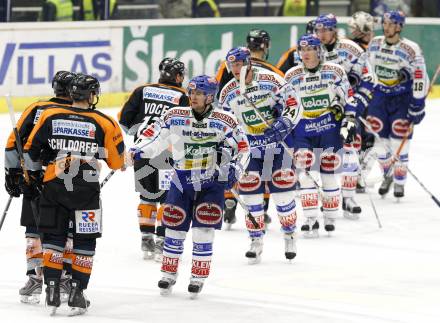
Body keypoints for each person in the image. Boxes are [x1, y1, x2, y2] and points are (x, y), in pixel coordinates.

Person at [130, 75, 250, 298]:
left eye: (198, 93)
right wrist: (139, 149)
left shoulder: (226, 120)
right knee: (174, 227)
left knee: (203, 230)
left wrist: (234, 170)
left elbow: (243, 149)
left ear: (210, 97)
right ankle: (168, 273)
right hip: (181, 179)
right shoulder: (175, 115)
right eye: (191, 92)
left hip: (211, 184)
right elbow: (154, 136)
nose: (193, 97)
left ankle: (198, 276)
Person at [23, 74, 125, 315]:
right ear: (91, 96)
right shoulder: (104, 121)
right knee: (84, 241)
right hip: (87, 190)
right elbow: (115, 160)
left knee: (54, 238)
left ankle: (51, 290)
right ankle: (77, 293)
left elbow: (30, 151)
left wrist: (34, 177)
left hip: (54, 186)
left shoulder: (50, 115)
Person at [219, 47, 302, 264]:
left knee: (283, 196)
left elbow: (294, 103)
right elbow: (223, 124)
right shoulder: (228, 92)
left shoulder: (271, 80)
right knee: (251, 198)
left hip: (278, 146)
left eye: (238, 64)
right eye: (231, 66)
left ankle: (289, 234)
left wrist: (285, 121)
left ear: (248, 62)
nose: (235, 69)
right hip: (249, 151)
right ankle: (255, 241)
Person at [4, 71, 75, 304]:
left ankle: (35, 277)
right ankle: (64, 277)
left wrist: (13, 173)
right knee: (67, 227)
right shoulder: (80, 112)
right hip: (69, 178)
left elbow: (14, 142)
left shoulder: (36, 108)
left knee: (34, 227)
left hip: (33, 175)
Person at [284, 34, 357, 237]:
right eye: (302, 50)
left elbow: (349, 98)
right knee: (305, 175)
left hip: (329, 128)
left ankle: (330, 218)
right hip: (303, 129)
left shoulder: (335, 71)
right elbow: (286, 105)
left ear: (319, 51)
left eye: (310, 49)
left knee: (328, 173)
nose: (306, 53)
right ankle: (310, 218)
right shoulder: (291, 75)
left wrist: (349, 119)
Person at [118, 58, 189, 261]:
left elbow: (124, 120)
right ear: (178, 76)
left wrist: (141, 135)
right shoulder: (183, 96)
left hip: (142, 150)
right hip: (168, 152)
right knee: (168, 197)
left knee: (146, 194)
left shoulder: (143, 90)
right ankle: (161, 240)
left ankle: (146, 237)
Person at [216, 29, 283, 228]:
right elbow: (284, 97)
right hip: (260, 128)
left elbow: (217, 92)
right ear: (265, 46)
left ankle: (229, 200)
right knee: (264, 164)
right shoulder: (271, 70)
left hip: (234, 119)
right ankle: (262, 204)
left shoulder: (226, 65)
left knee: (234, 157)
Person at [314, 13, 375, 220]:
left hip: (349, 109)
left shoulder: (352, 49)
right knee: (326, 155)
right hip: (323, 113)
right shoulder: (310, 50)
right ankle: (329, 196)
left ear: (334, 30)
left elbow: (369, 80)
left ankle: (348, 197)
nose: (320, 35)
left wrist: (355, 105)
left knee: (350, 151)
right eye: (317, 30)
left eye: (325, 30)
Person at [366, 10, 428, 199]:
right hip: (379, 98)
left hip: (401, 100)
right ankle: (388, 175)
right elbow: (367, 69)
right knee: (379, 143)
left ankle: (400, 182)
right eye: (385, 23)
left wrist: (417, 103)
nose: (387, 27)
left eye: (392, 24)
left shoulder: (411, 48)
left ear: (400, 27)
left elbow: (420, 77)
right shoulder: (375, 43)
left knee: (399, 142)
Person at [347, 11, 377, 193]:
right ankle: (357, 176)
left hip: (365, 98)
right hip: (363, 99)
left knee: (363, 138)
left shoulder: (364, 48)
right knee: (365, 139)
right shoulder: (361, 48)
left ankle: (357, 175)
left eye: (354, 27)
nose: (351, 30)